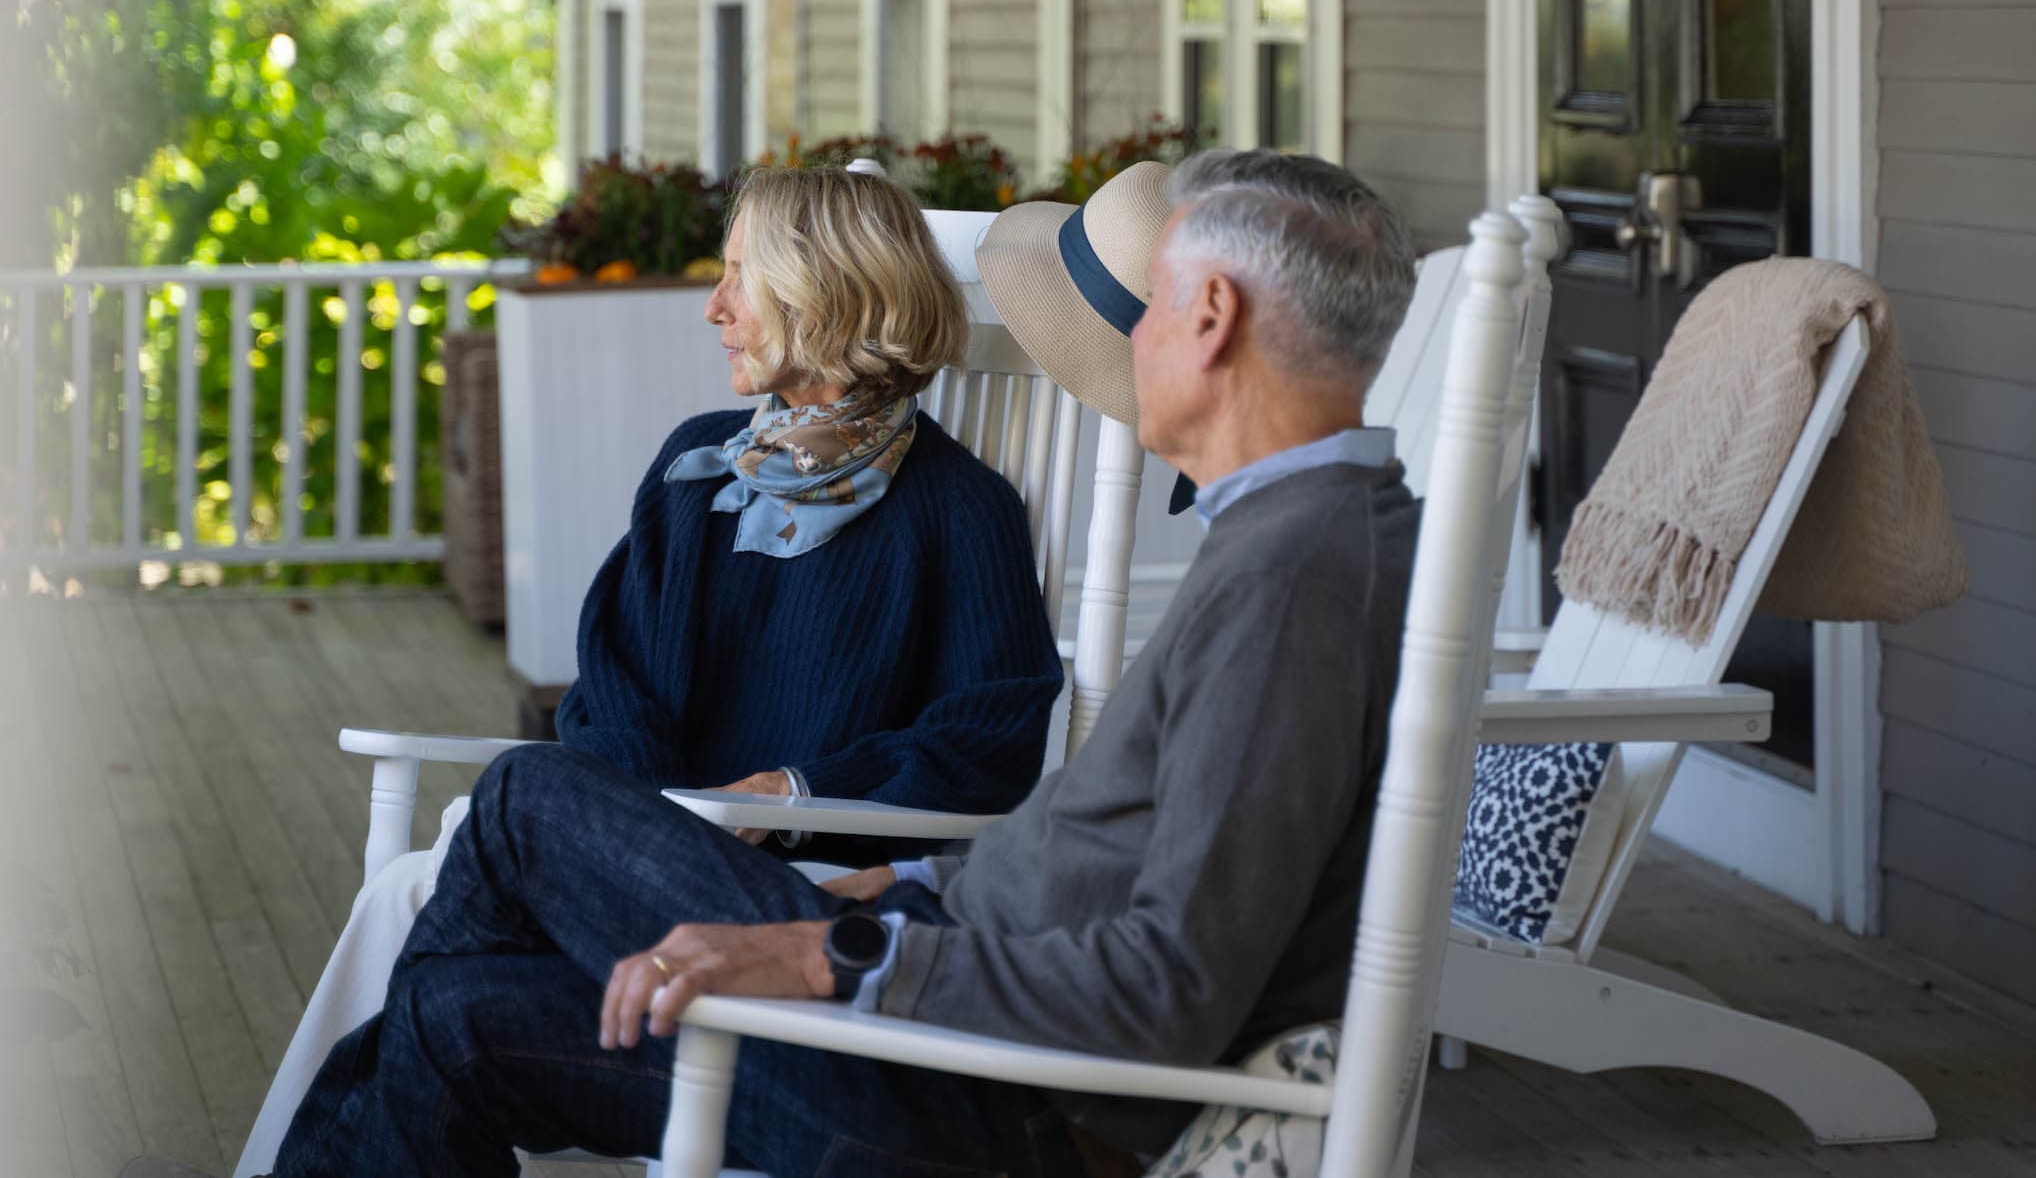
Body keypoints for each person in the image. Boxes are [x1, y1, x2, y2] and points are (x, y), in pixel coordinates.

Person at [258, 150, 1422, 1178]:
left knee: (520, 800)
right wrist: (901, 894)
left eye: (1152, 303)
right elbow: (1085, 864)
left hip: (970, 1099)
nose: (1127, 340)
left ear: (1209, 313)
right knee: (448, 1010)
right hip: (939, 1031)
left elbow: (1166, 979)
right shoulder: (1296, 542)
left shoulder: (1291, 581)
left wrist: (837, 945)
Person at [232, 164, 1066, 1178]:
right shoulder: (697, 464)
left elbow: (989, 741)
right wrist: (631, 824)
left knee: (450, 866)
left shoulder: (956, 509)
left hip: (795, 885)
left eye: (734, 278)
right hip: (642, 853)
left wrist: (792, 790)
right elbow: (614, 690)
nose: (712, 308)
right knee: (433, 895)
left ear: (824, 290)